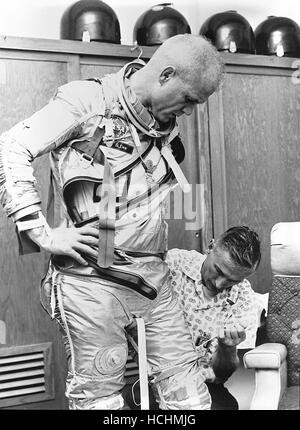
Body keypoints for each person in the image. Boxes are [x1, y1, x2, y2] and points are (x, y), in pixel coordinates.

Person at [0, 34, 223, 410]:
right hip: (91, 283)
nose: (187, 112)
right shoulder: (86, 102)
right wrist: (41, 232)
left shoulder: (164, 123)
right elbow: (12, 147)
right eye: (188, 100)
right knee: (100, 403)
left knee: (191, 399)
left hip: (153, 279)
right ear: (165, 75)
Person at [166, 225, 262, 410]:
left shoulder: (243, 297)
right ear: (210, 247)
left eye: (233, 280)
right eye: (218, 270)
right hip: (154, 378)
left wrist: (227, 347)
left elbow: (222, 374)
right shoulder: (171, 264)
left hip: (205, 385)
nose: (220, 284)